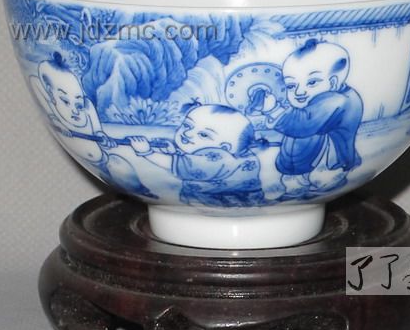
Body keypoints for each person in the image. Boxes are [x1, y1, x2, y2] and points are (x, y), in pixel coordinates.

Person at [31, 53, 156, 197]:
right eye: (65, 101)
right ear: (50, 95)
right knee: (120, 169)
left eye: (78, 103)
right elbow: (34, 80)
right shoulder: (53, 107)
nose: (75, 110)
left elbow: (98, 132)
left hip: (104, 160)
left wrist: (103, 138)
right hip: (98, 167)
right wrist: (57, 120)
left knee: (122, 166)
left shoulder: (87, 107)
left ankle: (144, 190)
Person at [261, 39, 363, 196]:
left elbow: (303, 124)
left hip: (329, 157)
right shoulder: (333, 95)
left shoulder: (335, 100)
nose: (299, 92)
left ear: (333, 82)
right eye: (291, 86)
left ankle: (325, 177)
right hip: (312, 147)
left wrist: (274, 110)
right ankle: (298, 179)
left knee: (321, 176)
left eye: (312, 82)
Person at [129, 104, 263, 207]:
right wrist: (174, 152)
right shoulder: (239, 154)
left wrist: (146, 152)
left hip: (214, 201)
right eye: (187, 125)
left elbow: (178, 165)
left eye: (203, 135)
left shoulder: (218, 158)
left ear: (225, 148)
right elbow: (192, 158)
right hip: (246, 197)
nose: (187, 133)